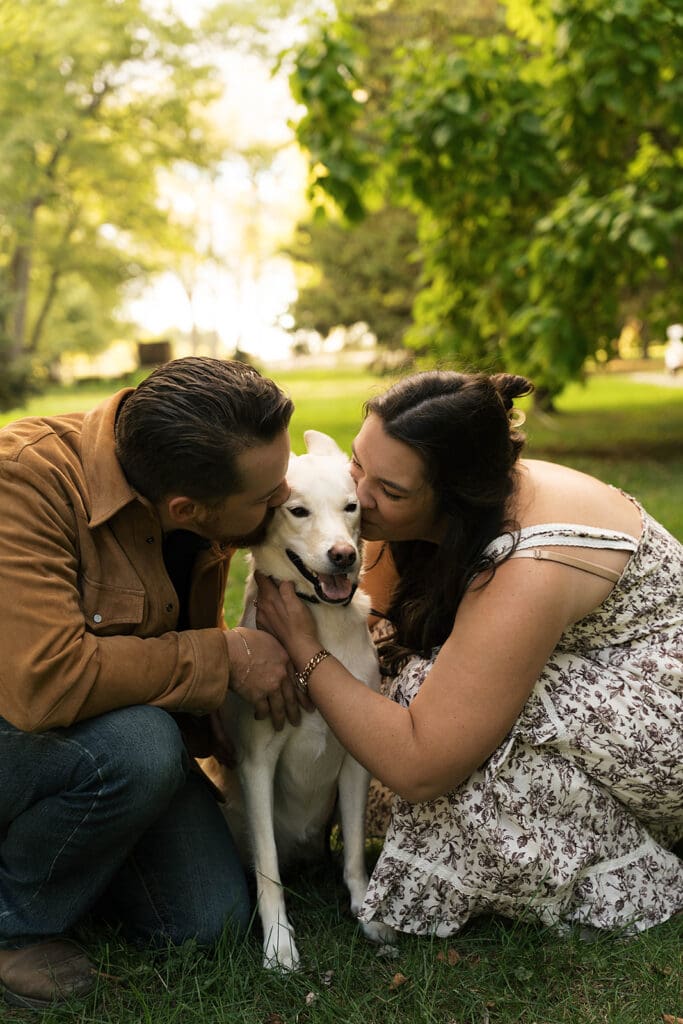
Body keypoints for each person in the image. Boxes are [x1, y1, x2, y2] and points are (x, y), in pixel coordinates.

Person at [255, 369, 683, 939]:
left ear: (454, 498)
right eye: (359, 462)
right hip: (593, 679)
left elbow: (419, 765)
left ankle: (627, 860)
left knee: (426, 722)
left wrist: (307, 651)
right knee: (393, 675)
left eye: (391, 491)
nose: (358, 495)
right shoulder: (419, 504)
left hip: (656, 711)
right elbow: (379, 627)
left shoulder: (530, 563)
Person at [0, 356, 310, 1010]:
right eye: (266, 495)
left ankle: (70, 843)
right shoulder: (23, 478)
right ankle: (15, 924)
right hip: (20, 728)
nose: (282, 498)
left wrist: (208, 712)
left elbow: (162, 631)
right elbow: (44, 683)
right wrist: (221, 659)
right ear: (186, 508)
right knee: (140, 747)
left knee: (205, 923)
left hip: (80, 738)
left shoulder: (200, 490)